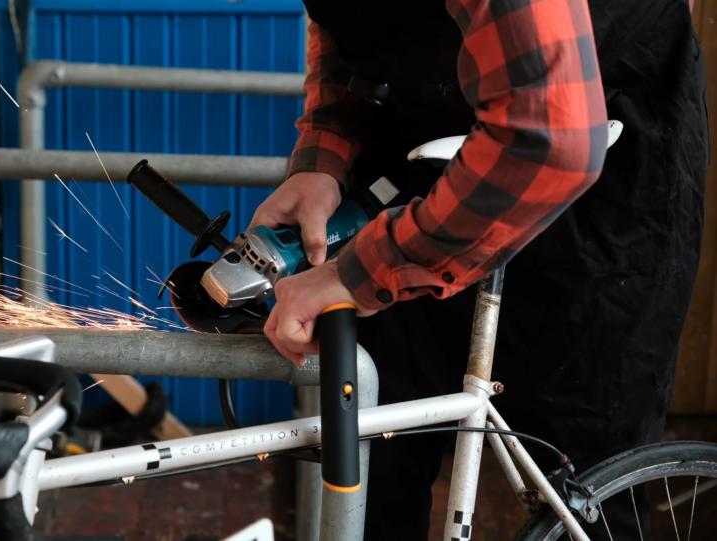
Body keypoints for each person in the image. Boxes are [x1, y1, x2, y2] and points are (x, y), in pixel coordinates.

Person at [254, 0, 708, 538]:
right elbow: (346, 26)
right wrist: (323, 158)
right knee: (377, 463)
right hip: (419, 155)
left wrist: (354, 277)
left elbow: (553, 139)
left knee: (584, 481)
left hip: (594, 165)